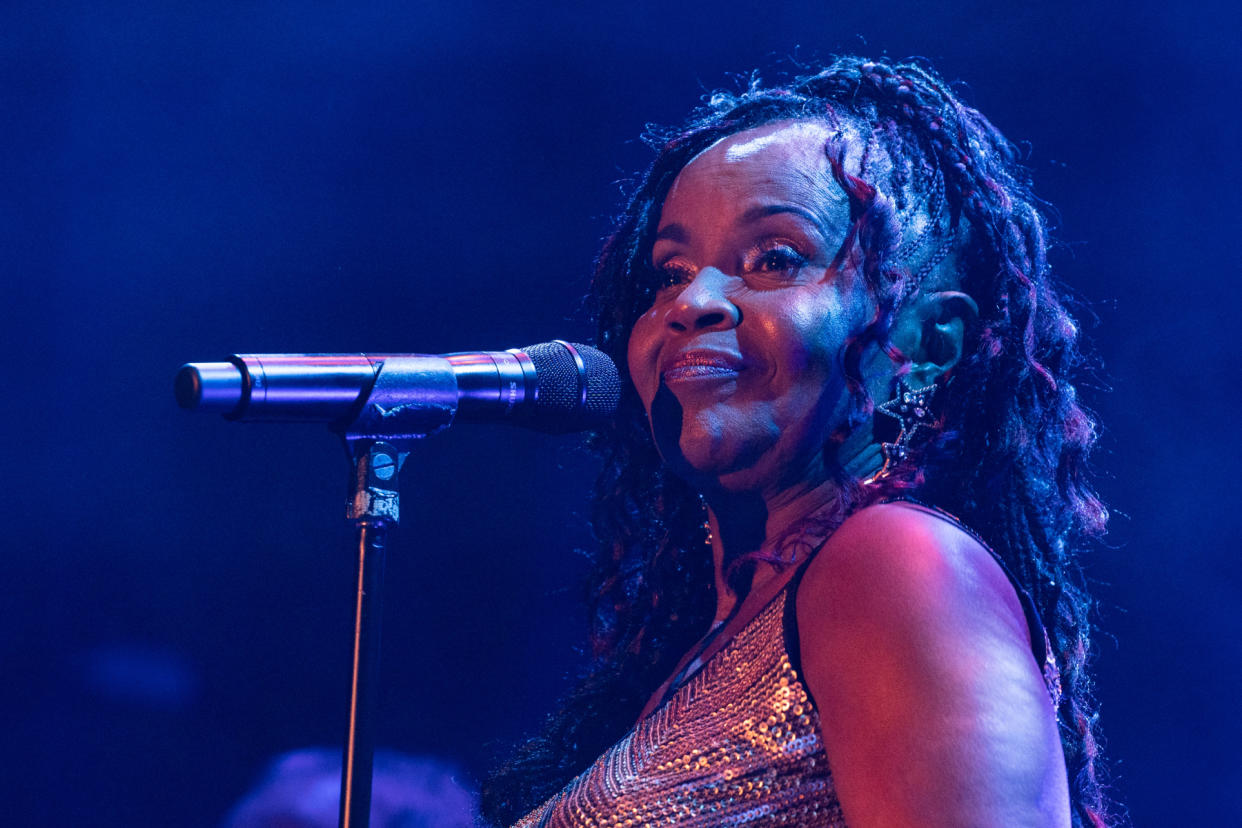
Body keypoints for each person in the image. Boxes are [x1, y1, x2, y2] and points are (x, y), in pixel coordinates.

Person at [482, 56, 1116, 827]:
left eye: (774, 258)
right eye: (670, 271)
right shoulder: (698, 653)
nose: (694, 301)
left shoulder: (898, 569)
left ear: (927, 343)